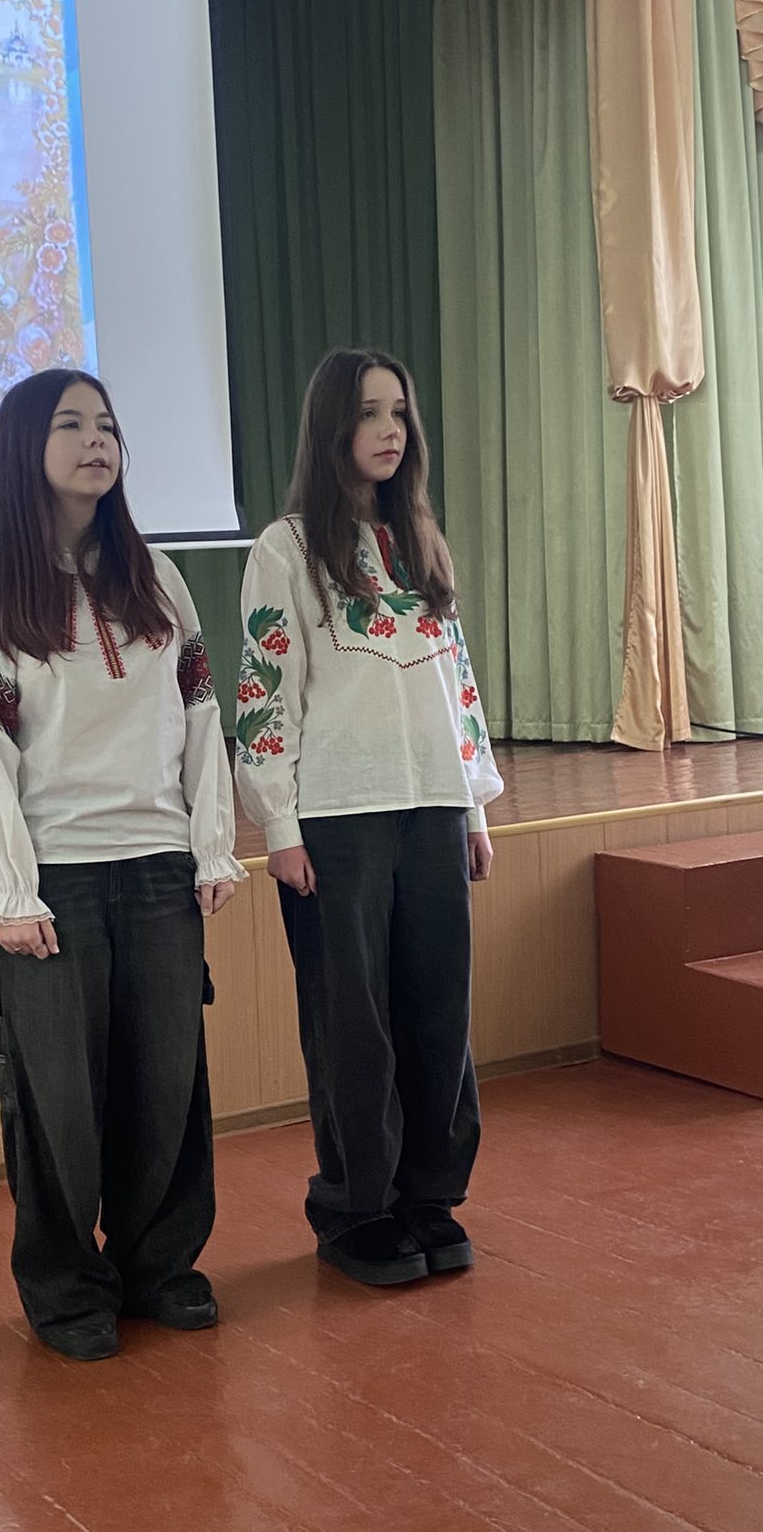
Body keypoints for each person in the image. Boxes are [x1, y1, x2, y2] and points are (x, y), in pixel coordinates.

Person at [0, 367, 244, 1360]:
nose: (95, 440)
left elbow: (201, 716)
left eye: (106, 424)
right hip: (55, 881)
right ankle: (68, 1290)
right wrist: (6, 892)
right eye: (70, 424)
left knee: (167, 1083)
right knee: (57, 1103)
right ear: (24, 448)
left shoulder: (158, 579)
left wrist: (210, 842)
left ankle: (162, 1267)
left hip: (157, 868)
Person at [235, 348, 503, 1287]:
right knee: (353, 1022)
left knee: (437, 1009)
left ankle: (429, 1196)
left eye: (398, 412)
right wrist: (279, 826)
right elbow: (265, 691)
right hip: (338, 817)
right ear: (330, 427)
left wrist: (474, 804)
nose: (389, 430)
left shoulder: (420, 539)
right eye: (367, 413)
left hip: (433, 807)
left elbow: (456, 683)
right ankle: (358, 1209)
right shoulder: (286, 548)